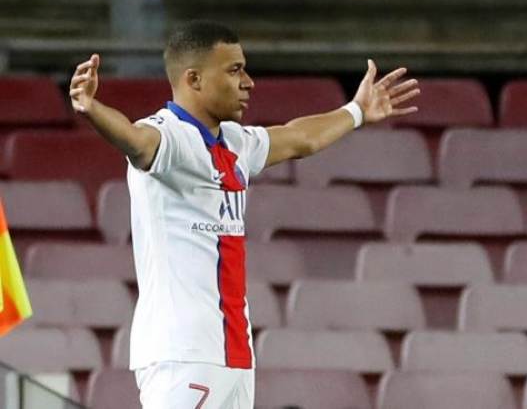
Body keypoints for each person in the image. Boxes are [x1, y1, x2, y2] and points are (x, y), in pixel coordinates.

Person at [68, 22, 420, 408]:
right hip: (183, 354)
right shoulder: (170, 136)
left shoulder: (235, 143)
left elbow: (298, 138)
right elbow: (135, 142)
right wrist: (92, 109)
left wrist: (356, 111)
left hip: (234, 356)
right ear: (194, 79)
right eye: (234, 70)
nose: (248, 82)